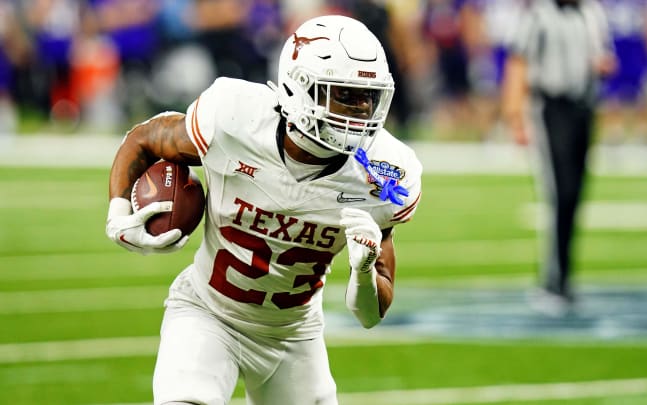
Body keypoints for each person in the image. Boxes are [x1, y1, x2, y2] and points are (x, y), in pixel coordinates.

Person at [104, 14, 422, 405]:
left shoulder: (382, 174)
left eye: (368, 98)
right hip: (208, 313)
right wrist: (118, 213)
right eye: (344, 95)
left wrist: (363, 271)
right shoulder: (235, 118)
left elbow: (370, 316)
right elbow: (147, 138)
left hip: (294, 336)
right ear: (301, 88)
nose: (361, 112)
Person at [501, 0, 616, 316]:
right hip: (551, 108)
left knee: (575, 194)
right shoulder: (539, 14)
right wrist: (515, 115)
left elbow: (601, 55)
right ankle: (552, 280)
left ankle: (565, 278)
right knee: (559, 193)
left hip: (584, 108)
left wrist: (602, 65)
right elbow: (518, 61)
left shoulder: (592, 12)